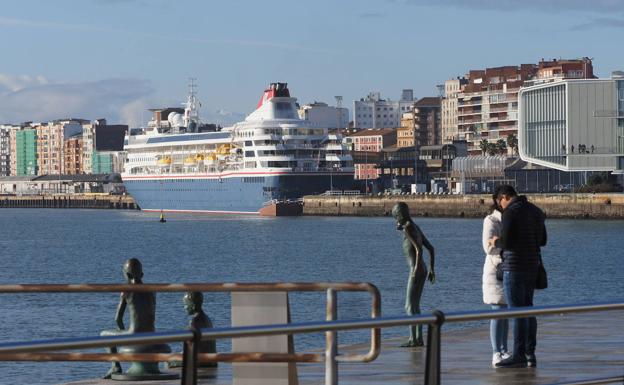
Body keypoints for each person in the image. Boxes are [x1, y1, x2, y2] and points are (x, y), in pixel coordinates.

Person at [489, 185, 546, 368]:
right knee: (529, 310)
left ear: (504, 196)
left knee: (517, 312)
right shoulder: (535, 211)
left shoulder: (510, 212)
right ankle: (531, 353)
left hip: (513, 268)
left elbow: (507, 241)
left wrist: (495, 241)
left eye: (499, 202)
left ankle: (519, 354)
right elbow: (543, 240)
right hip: (532, 266)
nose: (500, 206)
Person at [101, 258, 156, 379]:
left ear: (127, 275)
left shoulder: (126, 291)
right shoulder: (152, 291)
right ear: (142, 274)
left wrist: (122, 333)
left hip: (134, 334)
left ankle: (115, 366)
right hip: (151, 335)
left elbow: (118, 319)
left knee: (104, 334)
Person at [392, 202, 435, 347]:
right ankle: (419, 338)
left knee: (409, 306)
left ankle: (412, 339)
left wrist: (415, 268)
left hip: (415, 269)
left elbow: (418, 250)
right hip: (423, 269)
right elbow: (431, 249)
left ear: (399, 215)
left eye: (396, 216)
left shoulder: (408, 228)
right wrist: (431, 269)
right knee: (416, 305)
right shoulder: (414, 226)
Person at [482, 197, 509, 366]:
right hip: (495, 270)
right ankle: (496, 351)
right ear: (501, 200)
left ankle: (505, 349)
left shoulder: (510, 218)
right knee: (497, 311)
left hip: (508, 268)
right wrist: (505, 244)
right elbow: (488, 247)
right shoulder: (491, 220)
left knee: (505, 313)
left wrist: (500, 242)